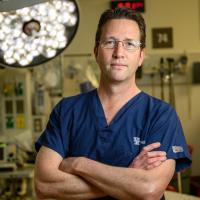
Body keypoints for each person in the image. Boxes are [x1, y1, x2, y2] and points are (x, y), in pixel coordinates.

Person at [34, 7, 191, 200]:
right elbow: (44, 184)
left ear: (141, 56)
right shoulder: (67, 111)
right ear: (96, 51)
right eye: (110, 43)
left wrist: (79, 165)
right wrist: (129, 176)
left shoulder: (161, 115)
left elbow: (149, 189)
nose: (119, 52)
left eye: (129, 44)